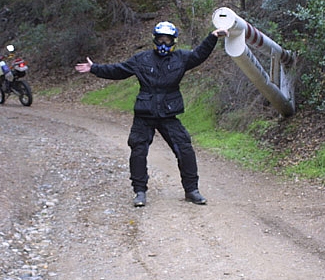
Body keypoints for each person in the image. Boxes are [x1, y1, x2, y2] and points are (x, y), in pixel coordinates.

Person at [75, 21, 228, 207]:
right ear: (154, 40)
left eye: (168, 40)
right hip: (145, 114)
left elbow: (199, 55)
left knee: (184, 147)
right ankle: (139, 192)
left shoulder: (181, 58)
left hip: (168, 113)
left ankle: (192, 190)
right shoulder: (142, 59)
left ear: (174, 42)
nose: (164, 44)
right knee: (138, 150)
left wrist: (212, 37)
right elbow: (119, 70)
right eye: (160, 39)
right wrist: (95, 68)